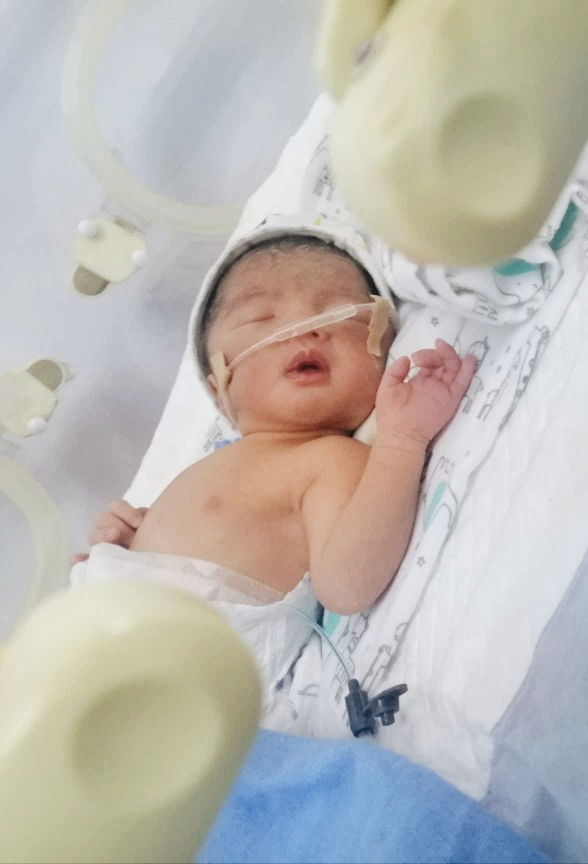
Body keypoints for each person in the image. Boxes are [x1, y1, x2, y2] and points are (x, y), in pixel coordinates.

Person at [74, 236, 475, 615]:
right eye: (261, 318)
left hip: (185, 642)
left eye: (340, 311)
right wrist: (122, 549)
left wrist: (402, 441)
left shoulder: (332, 459)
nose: (305, 328)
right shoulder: (213, 465)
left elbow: (347, 586)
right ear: (219, 391)